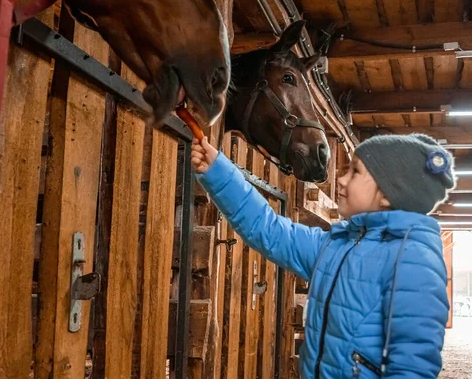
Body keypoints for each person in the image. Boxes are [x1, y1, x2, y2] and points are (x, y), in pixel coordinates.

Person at [191, 133, 456, 378]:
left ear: (388, 193)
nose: (340, 179)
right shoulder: (334, 246)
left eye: (355, 172)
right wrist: (218, 172)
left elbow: (413, 366)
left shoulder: (413, 259)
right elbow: (267, 228)